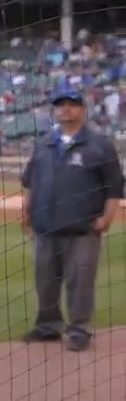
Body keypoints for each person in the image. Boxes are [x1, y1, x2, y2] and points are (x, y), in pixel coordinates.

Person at [20, 85, 124, 351]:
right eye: (60, 104)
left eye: (72, 103)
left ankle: (78, 332)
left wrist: (107, 218)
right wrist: (26, 212)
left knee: (80, 284)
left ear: (82, 108)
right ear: (54, 109)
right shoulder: (43, 143)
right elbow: (30, 181)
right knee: (45, 282)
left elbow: (114, 187)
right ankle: (48, 327)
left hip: (82, 229)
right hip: (45, 226)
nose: (66, 108)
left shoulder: (99, 145)